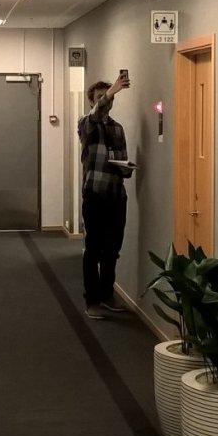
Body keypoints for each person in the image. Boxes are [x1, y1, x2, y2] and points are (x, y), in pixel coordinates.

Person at [78, 71, 135, 320]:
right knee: (93, 250)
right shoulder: (86, 125)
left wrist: (126, 168)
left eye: (108, 96)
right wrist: (112, 90)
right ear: (92, 101)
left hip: (116, 196)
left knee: (113, 250)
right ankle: (92, 301)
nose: (106, 100)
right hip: (95, 196)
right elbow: (97, 114)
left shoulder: (118, 128)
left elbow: (121, 162)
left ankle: (106, 294)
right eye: (100, 97)